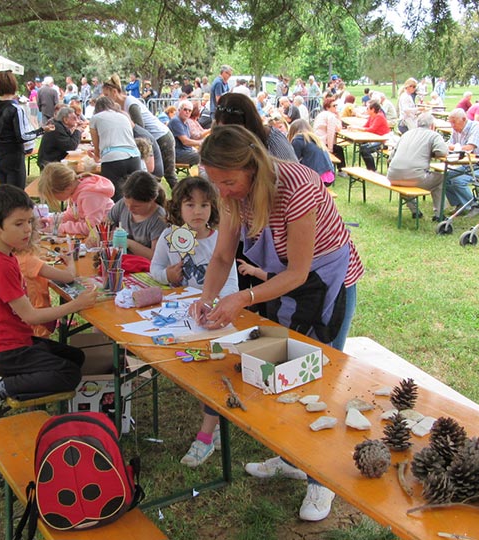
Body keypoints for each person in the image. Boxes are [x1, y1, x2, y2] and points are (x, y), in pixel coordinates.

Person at [191, 125, 363, 523]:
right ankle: (292, 459)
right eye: (216, 182)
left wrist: (243, 298)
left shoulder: (296, 186)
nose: (223, 192)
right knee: (282, 373)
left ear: (252, 167)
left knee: (317, 378)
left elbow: (299, 272)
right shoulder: (231, 192)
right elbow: (222, 257)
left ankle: (322, 480)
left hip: (325, 280)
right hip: (280, 280)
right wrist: (206, 299)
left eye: (229, 183)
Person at [0, 185, 98, 423]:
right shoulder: (0, 265)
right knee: (69, 373)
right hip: (6, 350)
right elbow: (30, 316)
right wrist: (75, 304)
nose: (28, 229)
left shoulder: (5, 255)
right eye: (19, 224)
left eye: (29, 221)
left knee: (75, 357)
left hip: (15, 341)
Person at [150, 177, 238, 468]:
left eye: (204, 205)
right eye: (190, 205)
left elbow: (231, 283)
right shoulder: (169, 237)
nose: (197, 211)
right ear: (178, 208)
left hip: (214, 318)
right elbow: (155, 268)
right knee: (193, 371)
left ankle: (206, 434)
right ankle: (215, 421)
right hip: (182, 318)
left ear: (213, 208)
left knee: (213, 371)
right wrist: (167, 276)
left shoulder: (219, 239)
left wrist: (216, 305)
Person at [104, 74, 178, 188]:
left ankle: (181, 196)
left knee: (170, 175)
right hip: (151, 139)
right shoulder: (122, 105)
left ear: (114, 92)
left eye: (106, 95)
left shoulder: (131, 104)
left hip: (162, 137)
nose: (105, 99)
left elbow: (139, 130)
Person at [0, 71, 51, 190]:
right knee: (16, 193)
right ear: (13, 86)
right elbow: (23, 136)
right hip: (14, 157)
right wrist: (41, 130)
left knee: (4, 192)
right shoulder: (15, 108)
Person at [14, 221, 77, 338]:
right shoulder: (30, 261)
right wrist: (70, 261)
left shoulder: (14, 257)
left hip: (24, 318)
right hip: (39, 319)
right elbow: (69, 277)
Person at [387, 113, 448, 221]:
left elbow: (391, 157)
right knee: (441, 179)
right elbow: (442, 152)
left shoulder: (406, 134)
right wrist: (431, 153)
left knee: (405, 179)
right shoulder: (434, 135)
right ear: (432, 125)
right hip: (415, 177)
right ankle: (439, 214)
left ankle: (415, 210)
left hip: (392, 176)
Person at [38, 162, 115, 238]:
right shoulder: (74, 191)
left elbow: (92, 227)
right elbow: (72, 215)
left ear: (67, 189)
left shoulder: (89, 195)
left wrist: (59, 228)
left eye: (54, 196)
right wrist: (52, 221)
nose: (55, 199)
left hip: (107, 237)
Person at [216, 92, 297, 162]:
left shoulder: (274, 142)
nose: (230, 137)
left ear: (249, 124)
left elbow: (291, 171)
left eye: (235, 131)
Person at [89, 96, 141, 200]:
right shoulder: (123, 116)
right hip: (134, 156)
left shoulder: (95, 118)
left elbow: (96, 146)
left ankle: (118, 210)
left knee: (114, 196)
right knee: (136, 194)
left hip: (112, 158)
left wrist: (96, 155)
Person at [445, 108, 479, 217]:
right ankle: (460, 204)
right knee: (445, 177)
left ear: (464, 119)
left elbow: (469, 148)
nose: (452, 125)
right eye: (451, 122)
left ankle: (475, 206)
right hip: (467, 165)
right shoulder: (456, 130)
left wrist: (454, 147)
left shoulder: (477, 127)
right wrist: (453, 147)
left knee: (458, 180)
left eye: (454, 122)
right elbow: (449, 145)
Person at [107, 171, 167, 259]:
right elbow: (105, 225)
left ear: (152, 199)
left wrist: (128, 243)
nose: (130, 209)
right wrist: (95, 236)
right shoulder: (122, 204)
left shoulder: (159, 219)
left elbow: (156, 256)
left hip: (144, 265)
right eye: (127, 203)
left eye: (136, 206)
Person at [288, 119, 335, 186]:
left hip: (317, 177)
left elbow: (293, 161)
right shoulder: (315, 139)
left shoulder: (298, 140)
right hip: (329, 175)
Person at [357, 100, 391, 172]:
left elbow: (372, 129)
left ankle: (373, 170)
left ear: (372, 109)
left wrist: (359, 129)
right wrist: (356, 128)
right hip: (375, 139)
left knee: (365, 149)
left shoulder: (379, 116)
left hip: (384, 141)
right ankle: (370, 169)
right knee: (362, 147)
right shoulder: (371, 116)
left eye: (367, 108)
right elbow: (366, 126)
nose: (366, 110)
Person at [312, 97, 344, 169]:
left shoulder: (321, 114)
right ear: (327, 107)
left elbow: (337, 128)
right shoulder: (331, 116)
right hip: (323, 143)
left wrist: (338, 116)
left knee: (338, 149)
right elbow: (331, 133)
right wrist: (330, 149)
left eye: (336, 105)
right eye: (334, 106)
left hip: (316, 141)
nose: (336, 107)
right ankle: (341, 170)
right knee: (339, 149)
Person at [169, 99, 202, 166]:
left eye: (190, 111)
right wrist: (201, 143)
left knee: (204, 153)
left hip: (185, 151)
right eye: (185, 109)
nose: (187, 112)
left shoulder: (185, 122)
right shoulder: (176, 121)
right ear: (179, 110)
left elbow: (190, 140)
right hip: (177, 153)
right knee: (202, 155)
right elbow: (185, 141)